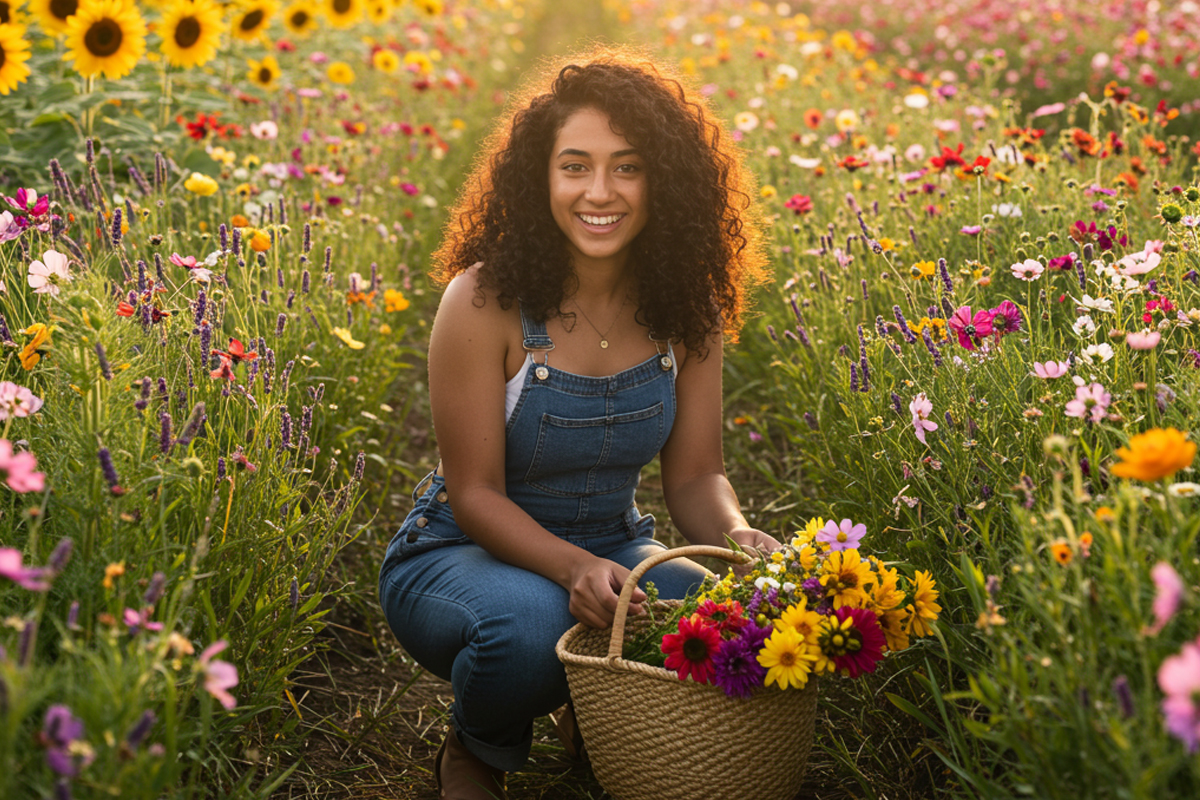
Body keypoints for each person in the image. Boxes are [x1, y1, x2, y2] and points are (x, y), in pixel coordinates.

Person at [377, 47, 780, 800]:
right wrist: (572, 570)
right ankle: (476, 746)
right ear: (542, 178)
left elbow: (696, 476)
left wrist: (737, 536)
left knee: (717, 625)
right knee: (533, 633)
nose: (601, 191)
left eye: (628, 167)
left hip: (615, 544)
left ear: (664, 179)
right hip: (461, 554)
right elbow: (475, 494)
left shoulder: (688, 305)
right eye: (575, 167)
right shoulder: (483, 301)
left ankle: (591, 705)